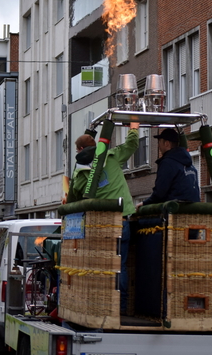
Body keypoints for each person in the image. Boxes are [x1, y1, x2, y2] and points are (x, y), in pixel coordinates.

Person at [67, 123, 139, 315]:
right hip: (121, 221)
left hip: (98, 226)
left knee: (97, 266)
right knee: (120, 265)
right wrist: (133, 126)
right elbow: (132, 145)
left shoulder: (80, 174)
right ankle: (121, 308)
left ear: (81, 150)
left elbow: (73, 199)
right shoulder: (112, 156)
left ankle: (99, 305)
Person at [139, 128, 200, 206]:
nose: (158, 146)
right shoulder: (190, 164)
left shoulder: (167, 163)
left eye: (159, 142)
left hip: (174, 209)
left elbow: (160, 193)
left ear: (167, 143)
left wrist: (144, 203)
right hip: (193, 209)